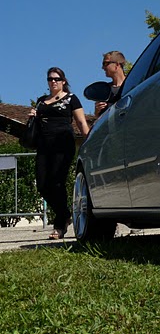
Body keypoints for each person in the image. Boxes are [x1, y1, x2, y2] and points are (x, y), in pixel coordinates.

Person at [29, 67, 90, 239]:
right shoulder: (41, 101)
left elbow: (81, 123)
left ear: (63, 81)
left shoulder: (71, 99)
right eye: (50, 79)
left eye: (56, 79)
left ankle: (59, 225)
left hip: (63, 145)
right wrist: (33, 116)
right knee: (42, 185)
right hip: (43, 146)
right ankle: (65, 214)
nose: (53, 81)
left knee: (57, 182)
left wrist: (90, 141)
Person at [95, 50, 126, 116]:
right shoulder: (105, 90)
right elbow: (99, 117)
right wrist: (97, 111)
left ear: (117, 65)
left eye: (105, 64)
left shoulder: (132, 83)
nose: (103, 67)